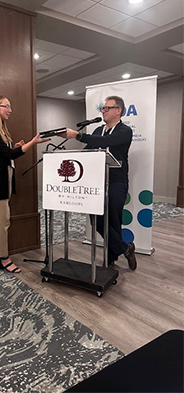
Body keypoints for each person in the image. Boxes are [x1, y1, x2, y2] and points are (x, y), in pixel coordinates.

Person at [60, 95, 137, 270]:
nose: (103, 111)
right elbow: (89, 150)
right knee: (97, 220)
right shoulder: (97, 131)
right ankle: (126, 248)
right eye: (103, 108)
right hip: (97, 182)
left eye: (107, 108)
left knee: (114, 220)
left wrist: (78, 135)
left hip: (117, 182)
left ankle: (110, 257)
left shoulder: (125, 131)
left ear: (118, 110)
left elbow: (107, 142)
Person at [0, 95, 50, 275]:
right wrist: (33, 143)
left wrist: (16, 146)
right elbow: (9, 155)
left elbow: (7, 152)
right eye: (6, 106)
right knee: (3, 222)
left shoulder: (1, 129)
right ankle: (4, 258)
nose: (10, 110)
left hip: (5, 179)